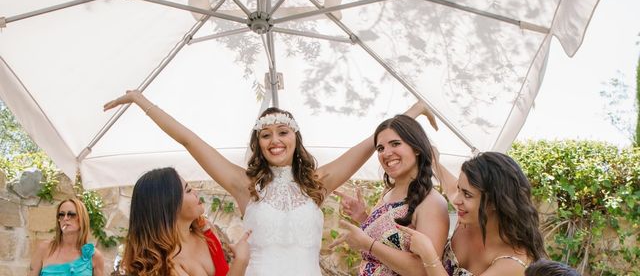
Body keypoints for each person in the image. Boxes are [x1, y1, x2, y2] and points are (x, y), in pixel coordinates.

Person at [103, 91, 431, 276]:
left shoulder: (318, 183)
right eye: (266, 135)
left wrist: (413, 112)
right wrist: (140, 101)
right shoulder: (244, 185)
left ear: (295, 137)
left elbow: (370, 142)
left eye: (282, 132)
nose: (275, 141)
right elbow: (189, 140)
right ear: (258, 142)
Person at [329, 115, 450, 275]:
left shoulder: (432, 203)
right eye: (380, 148)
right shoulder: (388, 192)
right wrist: (362, 217)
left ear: (417, 148)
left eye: (395, 144)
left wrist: (368, 244)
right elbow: (388, 241)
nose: (386, 153)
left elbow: (425, 270)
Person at [397, 151, 546, 276]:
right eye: (460, 189)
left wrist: (428, 255)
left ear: (494, 202)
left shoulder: (512, 262)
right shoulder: (471, 220)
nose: (456, 200)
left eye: (467, 194)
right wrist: (434, 160)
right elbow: (451, 188)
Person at [122, 166, 250, 276]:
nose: (195, 192)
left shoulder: (206, 231)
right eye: (188, 190)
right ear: (169, 206)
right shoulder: (165, 264)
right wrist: (241, 261)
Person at [28, 198, 105, 276]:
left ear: (82, 219)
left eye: (71, 214)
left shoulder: (94, 256)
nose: (65, 218)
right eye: (61, 215)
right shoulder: (44, 249)